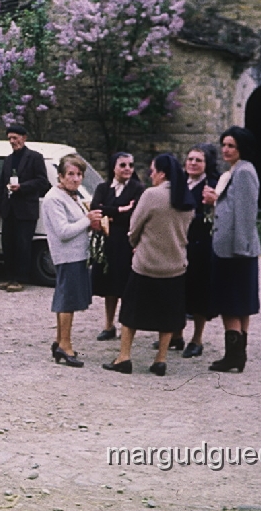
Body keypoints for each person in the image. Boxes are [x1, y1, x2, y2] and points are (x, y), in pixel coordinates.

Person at [103, 154, 194, 377]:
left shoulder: (151, 195)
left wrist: (136, 244)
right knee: (168, 315)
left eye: (152, 171)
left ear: (161, 173)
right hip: (174, 265)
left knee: (130, 312)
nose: (150, 175)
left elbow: (134, 227)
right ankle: (160, 359)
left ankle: (124, 356)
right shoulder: (186, 197)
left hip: (147, 264)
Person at [204, 126, 261, 373]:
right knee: (239, 303)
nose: (226, 150)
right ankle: (238, 355)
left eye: (231, 146)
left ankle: (234, 356)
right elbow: (230, 206)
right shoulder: (234, 171)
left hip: (235, 251)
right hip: (231, 248)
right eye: (224, 145)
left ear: (242, 148)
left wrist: (241, 249)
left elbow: (246, 213)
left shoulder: (244, 172)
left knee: (231, 303)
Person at [164, 144, 220, 358]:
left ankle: (197, 339)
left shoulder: (211, 186)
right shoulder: (180, 183)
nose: (193, 163)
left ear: (207, 164)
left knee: (199, 291)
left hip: (201, 244)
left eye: (198, 160)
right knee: (178, 288)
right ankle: (176, 335)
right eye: (190, 159)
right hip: (178, 242)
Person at [40, 154, 93, 368]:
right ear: (60, 176)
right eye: (70, 174)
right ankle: (65, 345)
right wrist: (88, 220)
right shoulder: (54, 198)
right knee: (68, 301)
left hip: (77, 255)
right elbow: (63, 231)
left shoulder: (71, 196)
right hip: (67, 256)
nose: (75, 178)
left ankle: (59, 341)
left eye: (79, 174)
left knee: (66, 299)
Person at [88, 152, 144, 341]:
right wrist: (120, 209)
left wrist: (110, 215)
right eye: (123, 165)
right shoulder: (103, 187)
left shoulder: (138, 188)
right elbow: (95, 208)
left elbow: (134, 214)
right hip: (108, 242)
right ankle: (108, 324)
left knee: (126, 286)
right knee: (109, 286)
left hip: (127, 242)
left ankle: (125, 327)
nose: (127, 168)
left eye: (130, 165)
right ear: (114, 167)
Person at [0, 124, 51, 292]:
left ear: (24, 138)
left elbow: (42, 181)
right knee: (8, 244)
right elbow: (1, 185)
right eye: (10, 138)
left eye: (15, 138)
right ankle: (10, 277)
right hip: (9, 209)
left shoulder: (35, 157)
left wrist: (22, 187)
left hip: (26, 210)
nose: (12, 141)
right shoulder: (8, 159)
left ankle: (21, 279)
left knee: (23, 245)